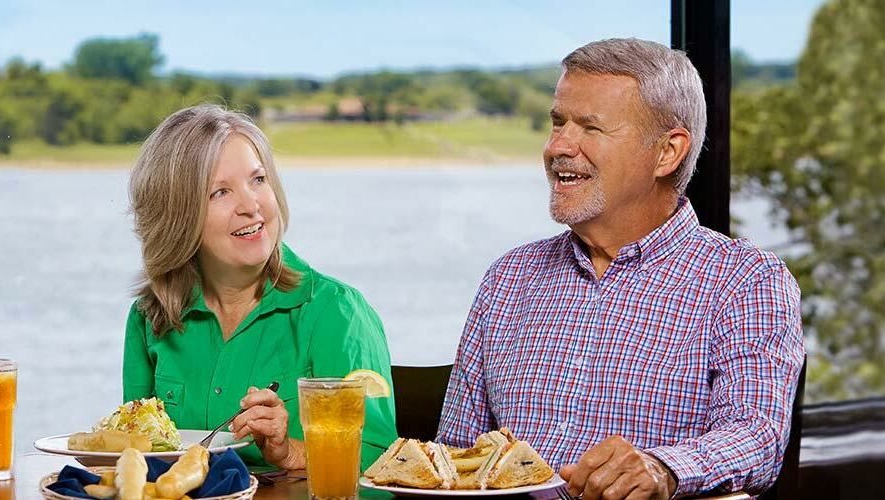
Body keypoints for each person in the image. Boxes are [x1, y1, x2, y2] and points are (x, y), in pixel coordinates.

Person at [436, 38, 805, 499]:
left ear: (667, 152)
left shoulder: (745, 280)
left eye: (590, 128)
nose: (558, 147)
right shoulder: (509, 277)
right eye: (557, 123)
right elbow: (453, 454)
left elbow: (757, 436)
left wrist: (662, 469)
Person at [122, 104, 397, 470]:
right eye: (219, 192)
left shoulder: (337, 314)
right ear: (176, 214)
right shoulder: (150, 315)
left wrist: (289, 451)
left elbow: (381, 461)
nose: (251, 205)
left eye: (258, 179)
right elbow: (133, 451)